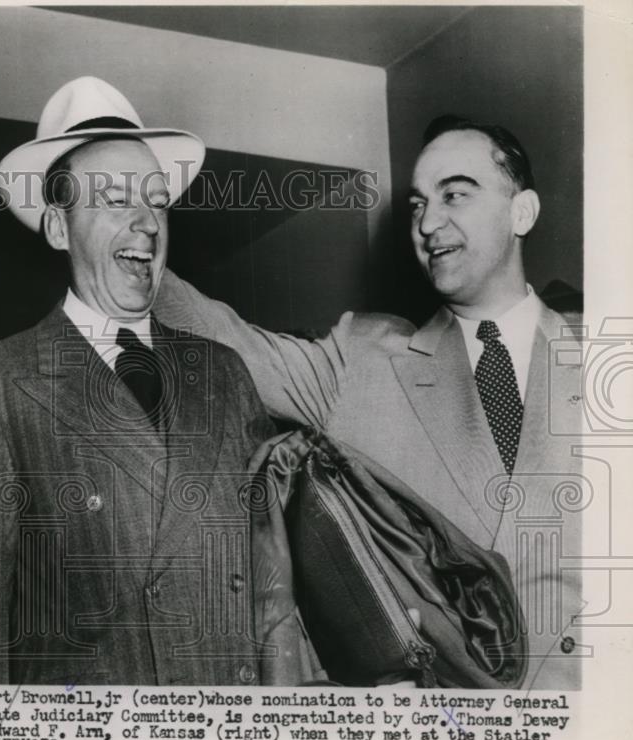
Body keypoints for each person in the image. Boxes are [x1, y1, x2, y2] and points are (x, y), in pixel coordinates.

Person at [153, 115, 583, 690]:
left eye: (454, 193)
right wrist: (124, 240)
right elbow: (228, 342)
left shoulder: (604, 357)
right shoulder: (363, 357)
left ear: (521, 212)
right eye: (416, 204)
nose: (429, 222)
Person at [0, 77, 313, 686]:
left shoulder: (223, 371)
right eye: (116, 201)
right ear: (60, 229)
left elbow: (271, 582)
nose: (146, 223)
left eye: (156, 201)